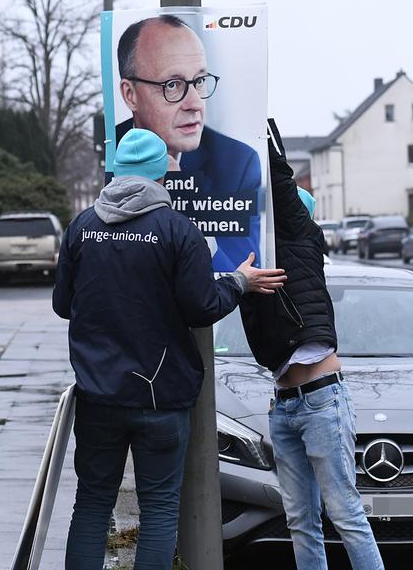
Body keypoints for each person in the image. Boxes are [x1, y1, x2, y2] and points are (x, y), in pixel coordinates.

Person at [53, 128, 286, 570]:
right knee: (160, 507)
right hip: (161, 398)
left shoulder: (81, 229)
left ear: (117, 171)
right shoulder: (178, 230)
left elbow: (62, 305)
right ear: (163, 172)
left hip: (98, 396)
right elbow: (202, 308)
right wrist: (240, 281)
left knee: (91, 502)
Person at [240, 123, 384, 570]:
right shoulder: (259, 261)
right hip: (284, 404)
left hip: (322, 400)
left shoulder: (302, 237)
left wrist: (257, 130)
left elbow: (280, 185)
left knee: (346, 514)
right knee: (301, 519)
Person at [115, 15, 261, 272]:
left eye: (200, 81)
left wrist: (183, 201)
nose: (195, 103)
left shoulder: (237, 163)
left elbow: (243, 274)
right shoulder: (114, 152)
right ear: (130, 94)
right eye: (173, 85)